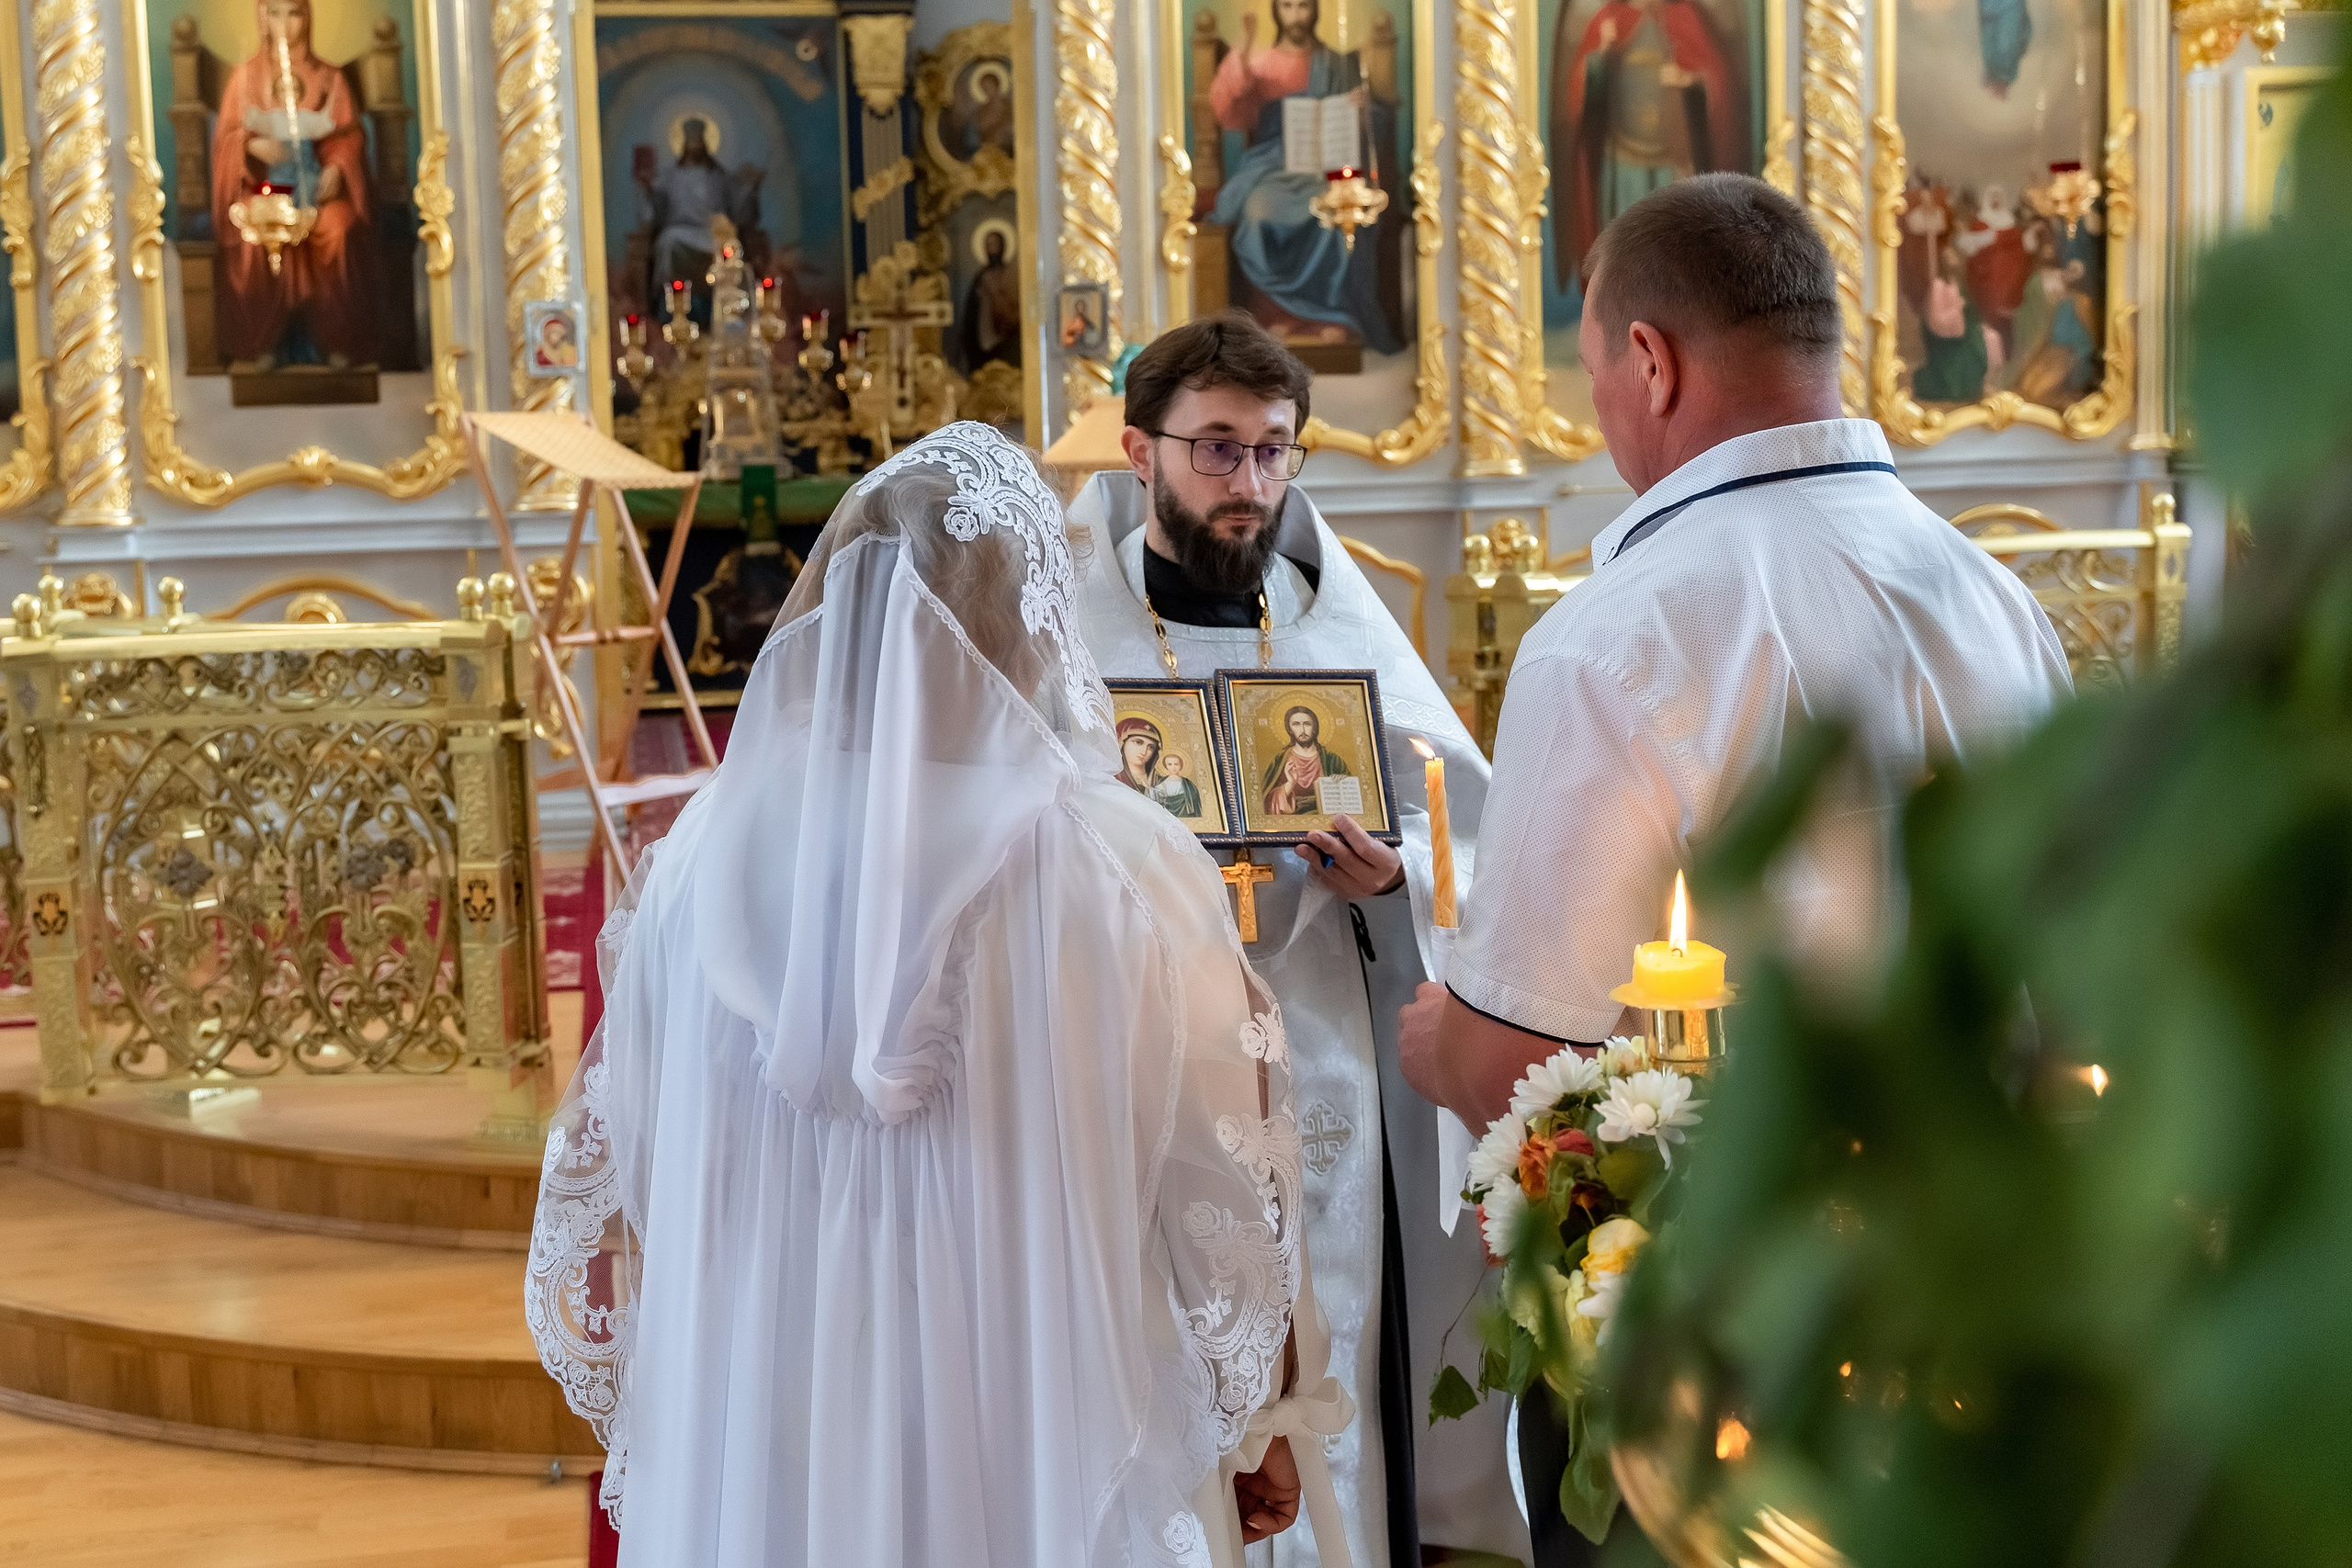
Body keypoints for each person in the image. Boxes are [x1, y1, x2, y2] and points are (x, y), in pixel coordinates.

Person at [528, 423, 1358, 1568]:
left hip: (782, 1431)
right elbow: (1224, 1178)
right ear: (1034, 621)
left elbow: (649, 1166)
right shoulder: (1123, 864)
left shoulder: (695, 858)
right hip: (1049, 1424)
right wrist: (1262, 1420)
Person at [1395, 174, 2071, 1564]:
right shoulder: (1995, 593)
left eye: (1594, 380)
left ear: (1650, 360)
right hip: (1991, 1286)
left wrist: (1431, 1037)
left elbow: (1520, 1056)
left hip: (1723, 1350)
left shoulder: (1616, 634)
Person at [1069, 314, 1522, 1568]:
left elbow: (1464, 848)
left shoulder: (1339, 634)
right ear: (1138, 448)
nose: (1249, 485)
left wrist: (1391, 884)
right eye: (1216, 450)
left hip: (1317, 1068)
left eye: (1275, 453)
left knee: (1329, 1360)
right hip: (1136, 1077)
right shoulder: (1067, 642)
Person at [1206, 0, 1403, 355]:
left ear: (1315, 11)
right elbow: (1228, 112)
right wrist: (1244, 49)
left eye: (1303, 7)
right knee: (1258, 211)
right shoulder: (1260, 62)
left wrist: (1361, 108)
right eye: (1287, 6)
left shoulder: (1338, 64)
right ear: (1275, 12)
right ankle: (1273, 315)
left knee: (1336, 206)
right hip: (1272, 166)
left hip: (1326, 165)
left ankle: (1330, 317)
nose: (1296, 16)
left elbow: (1379, 122)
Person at [212, 0, 377, 371]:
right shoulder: (245, 77)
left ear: (308, 18)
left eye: (294, 13)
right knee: (254, 233)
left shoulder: (329, 77)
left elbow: (347, 136)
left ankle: (337, 341)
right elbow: (226, 138)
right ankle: (264, 343)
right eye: (274, 13)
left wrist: (337, 167)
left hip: (318, 187)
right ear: (261, 18)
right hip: (264, 187)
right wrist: (251, 145)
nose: (284, 24)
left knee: (338, 228)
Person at [1552, 0, 1742, 286]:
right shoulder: (1610, 20)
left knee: (1674, 249)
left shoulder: (1684, 18)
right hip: (1622, 158)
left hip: (1673, 161)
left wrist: (1689, 77)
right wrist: (1598, 56)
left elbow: (1715, 78)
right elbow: (1582, 91)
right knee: (1623, 250)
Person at [1261, 705, 1351, 815]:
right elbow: (1265, 803)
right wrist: (1290, 784)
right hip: (1292, 821)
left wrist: (1342, 783)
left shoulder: (1332, 760)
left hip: (1327, 819)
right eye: (1296, 724)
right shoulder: (1280, 760)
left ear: (1315, 728)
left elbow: (1351, 799)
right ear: (1289, 729)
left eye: (1307, 724)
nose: (1302, 730)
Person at [1116, 715, 1165, 794]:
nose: (1144, 751)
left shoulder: (1161, 783)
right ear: (1121, 742)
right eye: (1138, 742)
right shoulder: (1112, 779)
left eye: (1150, 747)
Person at [1154, 752, 1206, 819]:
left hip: (1187, 815)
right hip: (1167, 816)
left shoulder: (1188, 783)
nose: (1173, 767)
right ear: (1165, 766)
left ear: (1181, 765)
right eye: (1170, 764)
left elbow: (1195, 801)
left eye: (1176, 764)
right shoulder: (1162, 784)